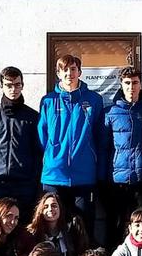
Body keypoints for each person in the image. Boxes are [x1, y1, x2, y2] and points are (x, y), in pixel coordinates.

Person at [38, 53, 108, 240]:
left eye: (73, 69)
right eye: (65, 69)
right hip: (54, 175)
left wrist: (97, 169)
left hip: (84, 174)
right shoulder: (48, 101)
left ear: (80, 72)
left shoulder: (94, 100)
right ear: (58, 73)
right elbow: (42, 135)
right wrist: (54, 154)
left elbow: (100, 137)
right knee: (51, 225)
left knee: (82, 225)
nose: (69, 73)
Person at [0, 67, 42, 219]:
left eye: (17, 84)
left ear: (22, 85)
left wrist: (34, 181)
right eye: (9, 85)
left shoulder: (33, 117)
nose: (13, 89)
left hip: (25, 186)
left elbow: (38, 152)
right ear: (1, 86)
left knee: (24, 233)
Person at [102, 67, 142, 248]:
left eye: (135, 83)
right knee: (115, 226)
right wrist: (102, 179)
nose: (131, 87)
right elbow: (103, 148)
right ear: (121, 86)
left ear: (141, 85)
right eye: (127, 83)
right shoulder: (110, 113)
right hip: (116, 181)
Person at [15, 191, 91, 256]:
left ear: (60, 209)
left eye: (54, 206)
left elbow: (81, 252)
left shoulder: (71, 230)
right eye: (46, 207)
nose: (50, 209)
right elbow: (26, 254)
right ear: (40, 211)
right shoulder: (32, 233)